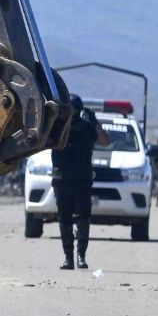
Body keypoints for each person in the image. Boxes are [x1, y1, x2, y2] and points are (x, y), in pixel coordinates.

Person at [52, 94, 110, 270]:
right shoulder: (58, 127)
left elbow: (105, 141)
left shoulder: (86, 127)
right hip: (62, 181)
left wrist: (95, 122)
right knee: (64, 220)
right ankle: (68, 258)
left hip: (82, 181)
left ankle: (80, 256)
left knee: (83, 220)